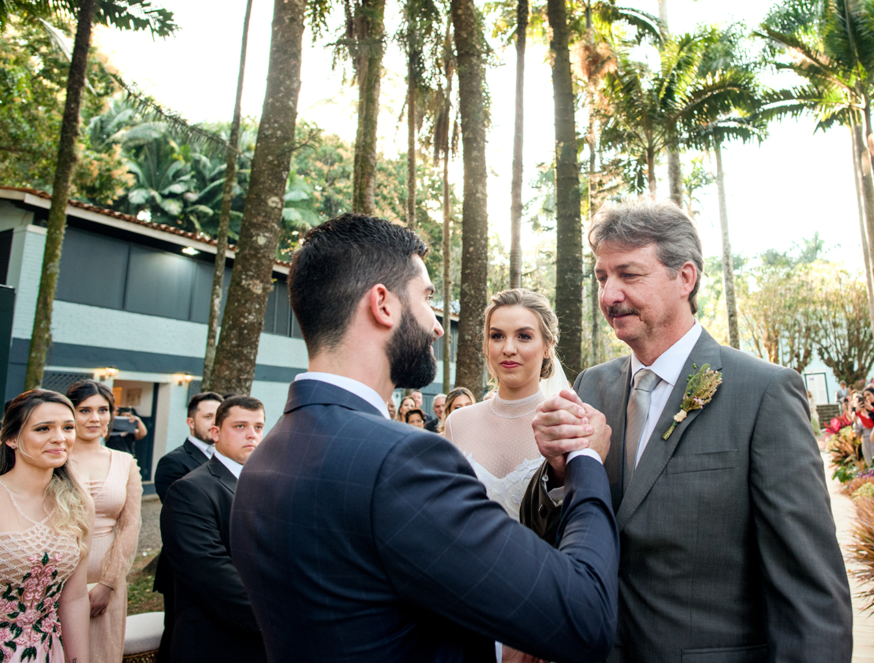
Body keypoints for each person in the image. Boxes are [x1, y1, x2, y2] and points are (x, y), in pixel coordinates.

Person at [231, 213, 619, 662]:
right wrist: (586, 462)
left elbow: (370, 607)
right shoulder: (401, 460)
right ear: (384, 304)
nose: (438, 326)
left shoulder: (264, 459)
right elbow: (585, 615)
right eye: (427, 298)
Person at [521, 197, 852, 662]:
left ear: (685, 278)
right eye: (602, 277)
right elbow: (557, 536)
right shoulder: (591, 386)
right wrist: (557, 474)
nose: (609, 295)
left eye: (628, 274)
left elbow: (810, 590)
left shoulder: (763, 394)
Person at [160, 395, 268, 663]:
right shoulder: (191, 490)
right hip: (216, 642)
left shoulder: (269, 483)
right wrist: (277, 618)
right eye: (240, 426)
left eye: (258, 427)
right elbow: (210, 572)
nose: (251, 435)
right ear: (216, 432)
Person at [446, 289, 563, 519]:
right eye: (497, 336)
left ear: (548, 346)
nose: (508, 349)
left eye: (524, 336)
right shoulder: (457, 423)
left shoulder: (561, 424)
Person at [0, 390, 91, 662]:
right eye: (43, 429)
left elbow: (74, 599)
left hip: (46, 651)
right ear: (12, 438)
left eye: (68, 428)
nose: (60, 438)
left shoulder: (79, 504)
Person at [67, 379, 143, 663]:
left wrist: (108, 584)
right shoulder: (54, 459)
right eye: (85, 410)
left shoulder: (125, 463)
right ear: (70, 413)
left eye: (103, 410)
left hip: (106, 586)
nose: (95, 418)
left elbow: (130, 524)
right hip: (57, 582)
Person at [153, 390, 223, 663]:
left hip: (220, 566)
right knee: (177, 640)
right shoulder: (174, 462)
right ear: (190, 422)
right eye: (207, 416)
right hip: (181, 571)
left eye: (218, 416)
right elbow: (186, 520)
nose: (213, 422)